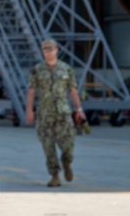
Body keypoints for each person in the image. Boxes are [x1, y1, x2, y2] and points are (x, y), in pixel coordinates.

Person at [25, 38, 85, 186]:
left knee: (68, 146)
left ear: (56, 50)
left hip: (63, 113)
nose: (48, 52)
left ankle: (66, 163)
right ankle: (55, 175)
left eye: (51, 49)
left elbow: (73, 90)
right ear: (43, 52)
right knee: (48, 146)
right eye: (45, 50)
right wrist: (29, 110)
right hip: (44, 114)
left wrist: (79, 109)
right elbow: (31, 91)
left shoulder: (66, 69)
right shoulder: (37, 70)